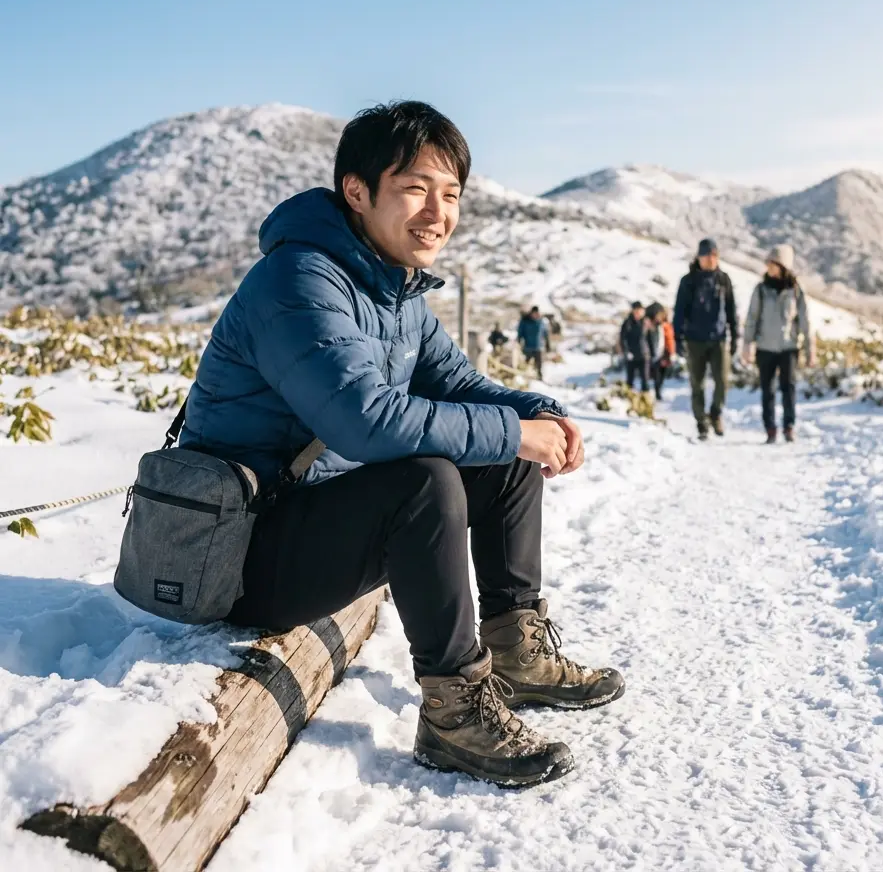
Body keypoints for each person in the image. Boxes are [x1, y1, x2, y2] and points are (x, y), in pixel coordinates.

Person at [180, 102, 624, 789]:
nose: (437, 212)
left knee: (503, 454)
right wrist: (518, 429)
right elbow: (366, 422)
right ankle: (453, 712)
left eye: (451, 195)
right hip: (240, 553)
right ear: (357, 192)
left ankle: (516, 653)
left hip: (310, 518)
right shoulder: (299, 282)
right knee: (424, 481)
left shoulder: (394, 293)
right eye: (416, 189)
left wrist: (542, 415)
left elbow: (463, 387)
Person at [743, 244, 815, 443]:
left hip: (788, 347)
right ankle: (770, 428)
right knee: (768, 390)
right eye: (768, 263)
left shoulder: (795, 290)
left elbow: (805, 321)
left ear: (783, 266)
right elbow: (752, 318)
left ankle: (789, 426)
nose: (768, 267)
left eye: (772, 263)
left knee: (788, 388)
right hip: (765, 347)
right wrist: (747, 344)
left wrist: (810, 350)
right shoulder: (761, 289)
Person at [672, 238, 738, 440]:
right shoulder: (688, 281)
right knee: (697, 384)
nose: (711, 259)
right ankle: (701, 422)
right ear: (699, 257)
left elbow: (731, 310)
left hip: (719, 339)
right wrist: (677, 338)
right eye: (707, 255)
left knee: (722, 381)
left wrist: (735, 336)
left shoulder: (723, 279)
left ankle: (716, 414)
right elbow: (679, 311)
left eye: (714, 255)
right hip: (694, 341)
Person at [645, 303, 676, 401]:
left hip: (665, 353)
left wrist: (671, 352)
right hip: (655, 354)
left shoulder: (667, 326)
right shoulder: (652, 326)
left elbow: (670, 340)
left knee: (662, 373)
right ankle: (657, 392)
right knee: (657, 374)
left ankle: (658, 389)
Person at [619, 301, 651, 393]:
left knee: (645, 380)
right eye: (636, 310)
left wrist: (652, 353)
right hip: (631, 356)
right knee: (630, 380)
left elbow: (650, 338)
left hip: (644, 355)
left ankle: (645, 401)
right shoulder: (627, 323)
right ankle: (629, 399)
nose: (638, 313)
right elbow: (623, 338)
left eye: (640, 310)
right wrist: (626, 351)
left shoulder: (645, 322)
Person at [517, 306, 550, 379]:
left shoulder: (541, 321)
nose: (536, 315)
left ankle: (539, 377)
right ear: (531, 313)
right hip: (527, 347)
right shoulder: (525, 321)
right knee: (526, 363)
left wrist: (547, 344)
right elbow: (520, 332)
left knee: (539, 364)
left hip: (538, 347)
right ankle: (524, 377)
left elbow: (545, 333)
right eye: (534, 313)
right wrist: (519, 341)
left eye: (537, 313)